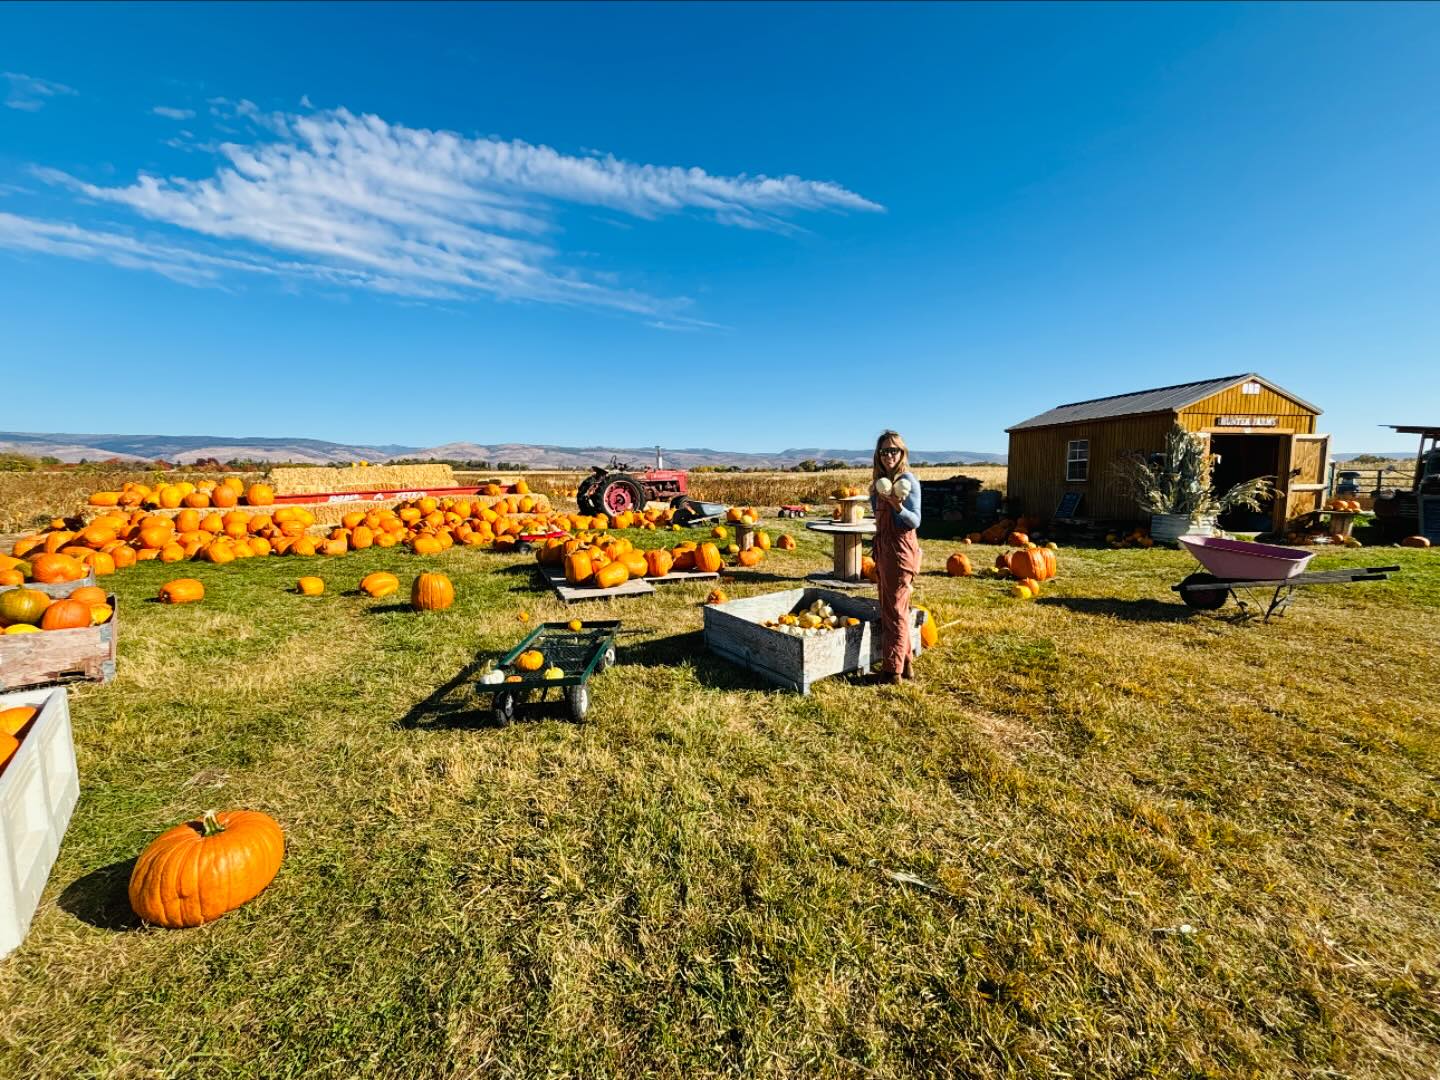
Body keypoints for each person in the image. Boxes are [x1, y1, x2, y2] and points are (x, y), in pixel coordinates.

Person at [869, 430, 921, 685]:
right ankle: (907, 663)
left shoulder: (907, 481)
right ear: (878, 455)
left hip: (901, 551)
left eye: (894, 450)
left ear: (902, 453)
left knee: (895, 612)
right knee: (893, 607)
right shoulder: (877, 485)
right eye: (884, 451)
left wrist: (897, 504)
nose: (889, 455)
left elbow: (915, 520)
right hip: (884, 549)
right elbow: (878, 520)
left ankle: (892, 671)